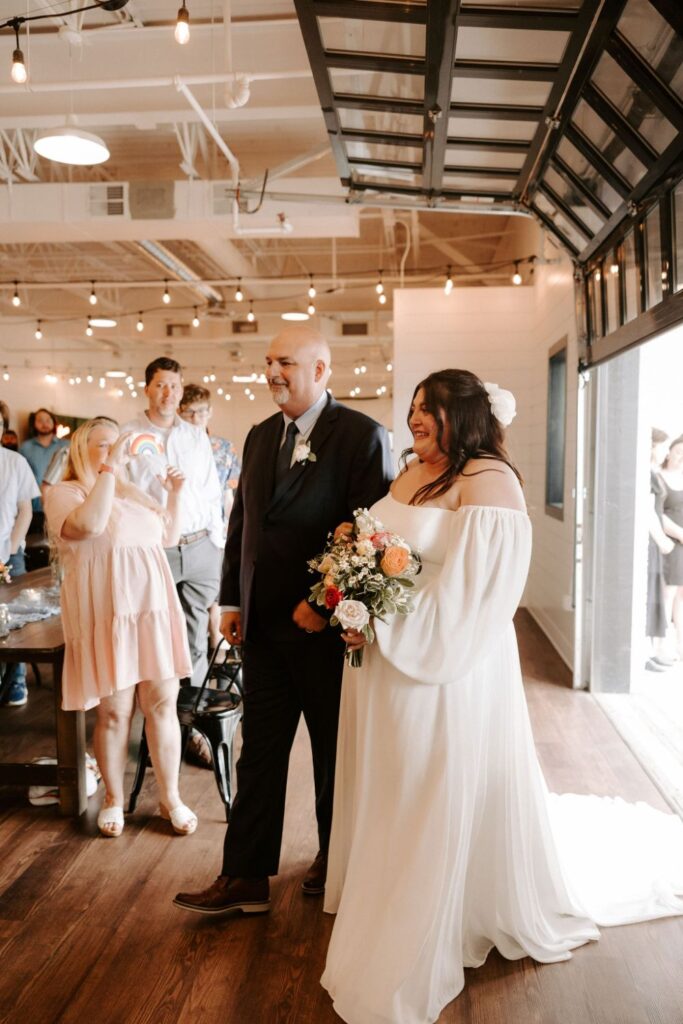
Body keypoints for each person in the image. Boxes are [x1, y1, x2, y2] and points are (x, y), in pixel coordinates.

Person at [318, 369, 683, 1024]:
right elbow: (382, 547)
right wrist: (353, 582)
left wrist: (379, 611)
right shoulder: (414, 472)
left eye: (428, 408)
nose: (415, 419)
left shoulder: (491, 483)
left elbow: (476, 596)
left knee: (426, 785)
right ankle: (387, 888)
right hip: (385, 662)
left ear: (465, 415)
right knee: (395, 782)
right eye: (412, 408)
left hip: (441, 668)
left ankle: (433, 907)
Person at [173, 324, 393, 915]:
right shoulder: (259, 434)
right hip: (262, 629)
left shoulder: (363, 437)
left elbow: (371, 537)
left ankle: (333, 856)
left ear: (320, 371)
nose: (271, 372)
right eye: (268, 361)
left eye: (285, 362)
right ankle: (244, 877)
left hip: (323, 634)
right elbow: (243, 524)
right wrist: (231, 599)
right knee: (258, 753)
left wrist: (323, 603)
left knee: (330, 753)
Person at [44, 417, 197, 838]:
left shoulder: (131, 492)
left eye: (118, 444)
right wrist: (111, 468)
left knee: (163, 704)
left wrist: (175, 495)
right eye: (103, 444)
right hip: (107, 615)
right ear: (80, 449)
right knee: (114, 712)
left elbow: (168, 536)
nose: (115, 450)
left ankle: (171, 797)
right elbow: (88, 526)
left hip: (152, 610)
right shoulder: (67, 492)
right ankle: (113, 798)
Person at [123, 359, 223, 688]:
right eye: (161, 385)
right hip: (153, 548)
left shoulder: (195, 437)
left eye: (175, 386)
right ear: (147, 389)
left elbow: (212, 491)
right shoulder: (129, 435)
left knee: (196, 636)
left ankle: (189, 717)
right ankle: (157, 718)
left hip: (199, 547)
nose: (169, 393)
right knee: (153, 632)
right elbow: (122, 495)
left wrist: (216, 543)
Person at [179, 384, 242, 650]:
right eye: (189, 412)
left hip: (215, 529)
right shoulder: (174, 446)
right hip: (183, 529)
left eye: (201, 412)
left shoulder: (223, 448)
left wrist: (229, 534)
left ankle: (218, 648)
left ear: (210, 412)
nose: (195, 418)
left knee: (217, 593)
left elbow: (230, 497)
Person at [0, 399, 40, 707]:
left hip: (9, 552)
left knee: (14, 620)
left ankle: (15, 681)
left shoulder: (15, 463)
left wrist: (11, 547)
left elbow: (25, 510)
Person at [646, 428, 674, 671]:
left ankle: (652, 651)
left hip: (655, 544)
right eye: (663, 446)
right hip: (651, 543)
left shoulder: (654, 474)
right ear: (652, 446)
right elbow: (648, 512)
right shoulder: (648, 475)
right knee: (650, 595)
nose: (665, 451)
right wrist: (662, 540)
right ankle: (646, 653)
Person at [19, 408, 68, 530]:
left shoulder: (66, 445)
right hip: (33, 506)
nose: (44, 424)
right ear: (33, 424)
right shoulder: (25, 447)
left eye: (48, 420)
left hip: (61, 504)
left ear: (53, 422)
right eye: (40, 420)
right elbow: (21, 477)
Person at [660, 435, 683, 661]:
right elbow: (659, 514)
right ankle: (663, 644)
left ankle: (680, 643)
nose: (680, 457)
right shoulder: (660, 477)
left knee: (681, 597)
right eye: (678, 452)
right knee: (667, 594)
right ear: (669, 451)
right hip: (672, 544)